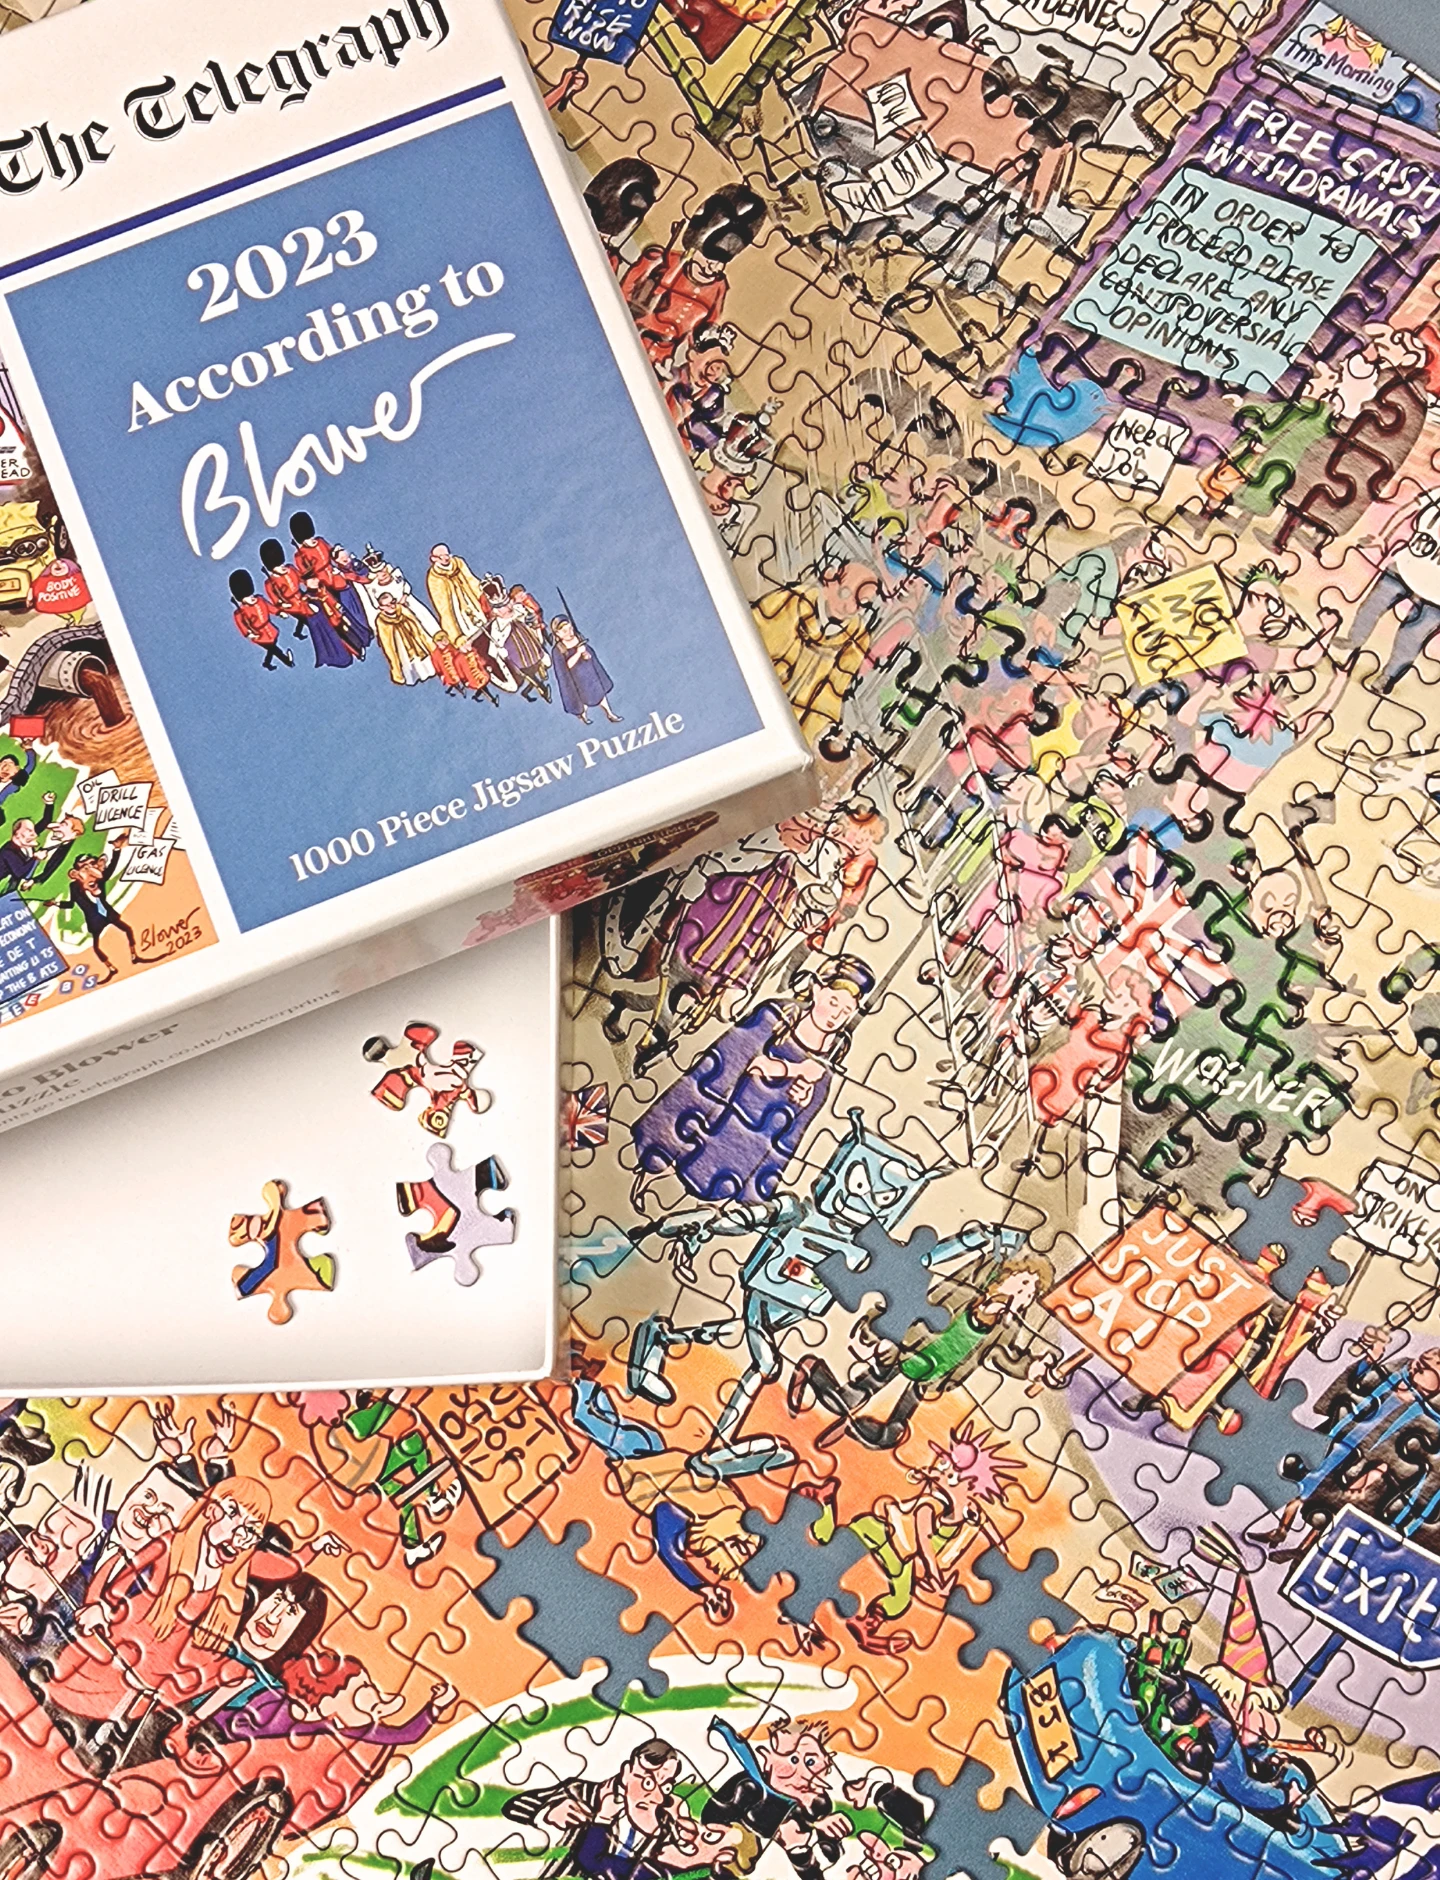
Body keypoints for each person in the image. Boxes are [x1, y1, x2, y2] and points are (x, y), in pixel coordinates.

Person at [630, 957, 872, 1207]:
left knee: (709, 1188)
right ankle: (647, 1176)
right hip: (715, 1112)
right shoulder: (773, 1017)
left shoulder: (827, 1066)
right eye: (833, 1002)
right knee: (667, 1155)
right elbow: (730, 1062)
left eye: (847, 1011)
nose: (836, 1015)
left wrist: (803, 1099)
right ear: (817, 989)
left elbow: (789, 1136)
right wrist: (794, 1069)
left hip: (736, 1151)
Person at [45, 1476, 272, 1730]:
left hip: (163, 1668)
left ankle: (180, 1728)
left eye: (251, 1529)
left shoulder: (229, 1583)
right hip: (123, 1639)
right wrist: (100, 1604)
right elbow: (125, 1575)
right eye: (233, 1513)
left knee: (240, 1673)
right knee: (72, 1689)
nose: (239, 1533)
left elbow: (282, 1568)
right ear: (211, 1509)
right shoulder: (172, 1543)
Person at [503, 1736, 700, 1880]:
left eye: (665, 1786)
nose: (656, 1795)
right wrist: (549, 1812)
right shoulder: (583, 1793)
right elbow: (514, 1806)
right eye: (648, 1781)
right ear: (627, 1771)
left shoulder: (666, 1824)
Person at [702, 1716, 851, 1880]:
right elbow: (710, 1821)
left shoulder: (818, 1805)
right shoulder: (746, 1789)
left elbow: (823, 1867)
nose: (803, 1774)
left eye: (811, 1762)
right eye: (793, 1759)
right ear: (767, 1760)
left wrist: (816, 1844)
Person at [63, 833, 154, 982]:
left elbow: (111, 868)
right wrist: (56, 904)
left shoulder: (98, 879)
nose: (90, 869)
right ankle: (111, 968)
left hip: (106, 912)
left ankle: (134, 956)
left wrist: (116, 850)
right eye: (85, 867)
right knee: (97, 947)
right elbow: (71, 903)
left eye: (92, 865)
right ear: (77, 872)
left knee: (127, 929)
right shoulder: (75, 887)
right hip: (94, 918)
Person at [551, 614, 619, 724]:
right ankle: (584, 717)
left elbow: (589, 654)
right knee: (581, 700)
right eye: (565, 631)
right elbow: (566, 666)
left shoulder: (578, 638)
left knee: (600, 694)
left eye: (570, 628)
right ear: (557, 633)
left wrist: (587, 655)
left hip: (589, 674)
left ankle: (609, 713)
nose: (569, 633)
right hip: (576, 680)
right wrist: (578, 653)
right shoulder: (559, 649)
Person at [228, 570, 293, 670]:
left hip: (269, 629)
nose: (251, 598)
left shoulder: (260, 600)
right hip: (259, 634)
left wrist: (279, 612)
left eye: (250, 595)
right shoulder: (239, 613)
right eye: (247, 597)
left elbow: (269, 607)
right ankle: (287, 661)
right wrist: (248, 634)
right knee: (273, 648)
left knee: (272, 647)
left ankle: (267, 663)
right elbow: (242, 625)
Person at [258, 537, 315, 640]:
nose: (281, 567)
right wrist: (282, 606)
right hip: (291, 605)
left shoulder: (290, 569)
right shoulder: (269, 583)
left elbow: (302, 579)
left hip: (301, 595)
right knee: (306, 619)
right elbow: (275, 599)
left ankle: (298, 632)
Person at [0, 796, 55, 891]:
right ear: (18, 835)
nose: (35, 834)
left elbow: (45, 821)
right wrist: (36, 857)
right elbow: (20, 872)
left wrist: (49, 803)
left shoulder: (26, 838)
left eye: (33, 830)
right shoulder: (8, 852)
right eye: (29, 831)